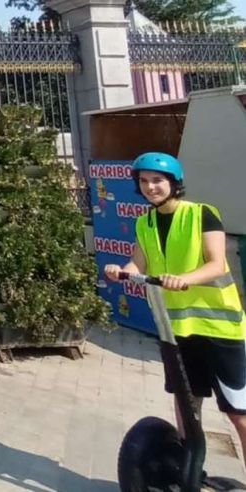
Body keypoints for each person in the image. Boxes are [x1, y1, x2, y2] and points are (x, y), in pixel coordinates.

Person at [104, 152, 246, 466]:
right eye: (144, 181)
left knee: (239, 415)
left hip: (221, 331)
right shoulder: (145, 222)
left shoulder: (202, 214)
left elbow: (217, 264)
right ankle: (189, 476)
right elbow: (138, 263)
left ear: (174, 183)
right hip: (177, 331)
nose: (151, 187)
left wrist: (183, 279)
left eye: (157, 180)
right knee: (187, 408)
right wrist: (120, 270)